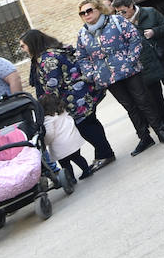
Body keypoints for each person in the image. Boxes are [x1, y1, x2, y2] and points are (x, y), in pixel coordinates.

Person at [76, 0, 164, 156]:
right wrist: (92, 74)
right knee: (129, 107)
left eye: (89, 10)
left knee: (143, 101)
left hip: (129, 70)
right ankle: (144, 137)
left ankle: (159, 130)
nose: (86, 14)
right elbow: (82, 57)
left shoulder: (116, 20)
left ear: (99, 9)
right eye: (83, 13)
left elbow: (134, 38)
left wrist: (131, 60)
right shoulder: (83, 34)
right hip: (107, 76)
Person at [20, 29, 115, 170]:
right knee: (91, 123)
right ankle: (103, 153)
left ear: (32, 44)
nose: (22, 49)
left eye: (23, 45)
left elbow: (52, 86)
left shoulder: (48, 59)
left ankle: (105, 154)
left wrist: (44, 105)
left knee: (86, 127)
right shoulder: (55, 51)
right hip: (83, 93)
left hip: (76, 99)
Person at [113, 0, 164, 121]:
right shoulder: (121, 24)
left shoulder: (150, 12)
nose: (121, 14)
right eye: (118, 12)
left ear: (131, 6)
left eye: (123, 11)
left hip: (163, 55)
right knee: (155, 94)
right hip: (146, 62)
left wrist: (154, 31)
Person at [39, 93, 93, 181]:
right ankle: (86, 170)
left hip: (61, 146)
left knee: (65, 164)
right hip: (73, 141)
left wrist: (45, 142)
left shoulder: (48, 119)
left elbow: (49, 134)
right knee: (78, 158)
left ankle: (71, 178)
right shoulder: (63, 112)